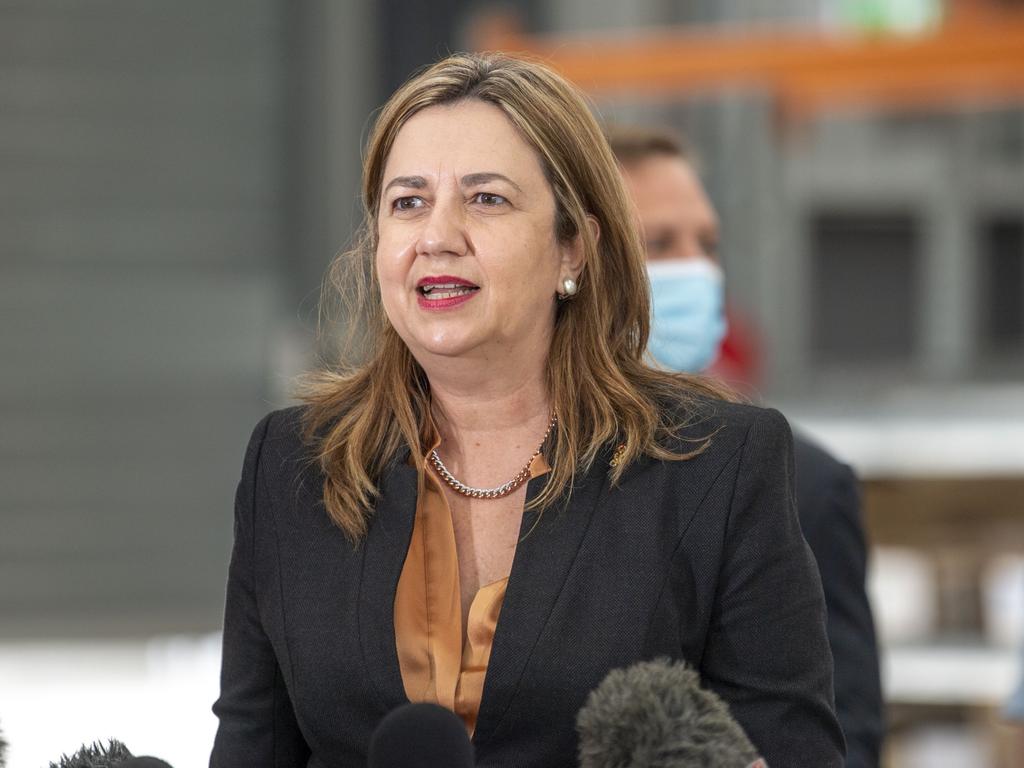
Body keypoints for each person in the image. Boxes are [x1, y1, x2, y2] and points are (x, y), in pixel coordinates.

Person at [210, 52, 845, 767]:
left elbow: (795, 753)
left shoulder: (717, 465)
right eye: (408, 202)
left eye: (486, 199)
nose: (436, 236)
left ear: (572, 248)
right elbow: (250, 749)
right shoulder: (294, 463)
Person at [608, 126, 885, 767]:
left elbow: (840, 739)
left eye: (707, 244)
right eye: (658, 243)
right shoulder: (504, 467)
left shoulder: (797, 483)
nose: (698, 270)